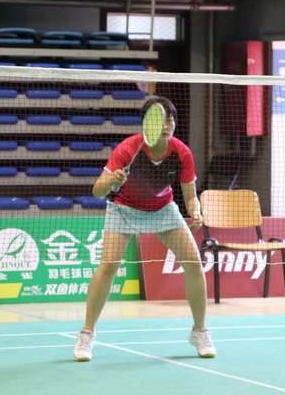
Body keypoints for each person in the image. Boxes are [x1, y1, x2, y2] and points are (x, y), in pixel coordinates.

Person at [73, 96, 215, 361]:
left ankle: (200, 331)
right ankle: (86, 334)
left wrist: (195, 211)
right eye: (161, 120)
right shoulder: (128, 149)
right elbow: (97, 191)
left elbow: (190, 196)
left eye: (171, 120)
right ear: (147, 124)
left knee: (194, 262)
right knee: (108, 265)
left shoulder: (181, 153)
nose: (167, 125)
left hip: (163, 209)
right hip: (123, 209)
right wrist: (112, 180)